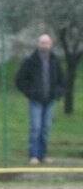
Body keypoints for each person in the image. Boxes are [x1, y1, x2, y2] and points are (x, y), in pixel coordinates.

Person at [15, 34, 65, 165]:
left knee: (46, 128)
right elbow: (19, 80)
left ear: (51, 44)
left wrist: (57, 93)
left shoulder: (55, 60)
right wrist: (30, 93)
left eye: (47, 43)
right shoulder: (30, 61)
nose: (45, 45)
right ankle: (33, 155)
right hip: (36, 100)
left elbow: (62, 80)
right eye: (42, 43)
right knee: (35, 128)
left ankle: (43, 155)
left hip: (50, 100)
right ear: (38, 44)